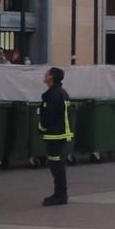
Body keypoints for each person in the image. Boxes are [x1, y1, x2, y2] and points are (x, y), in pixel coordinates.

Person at [39, 66, 72, 207]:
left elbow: (48, 116)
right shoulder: (61, 92)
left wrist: (41, 128)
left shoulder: (52, 95)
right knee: (57, 165)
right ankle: (60, 194)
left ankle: (60, 195)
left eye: (47, 73)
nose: (45, 75)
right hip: (60, 134)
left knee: (56, 166)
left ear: (51, 77)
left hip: (55, 135)